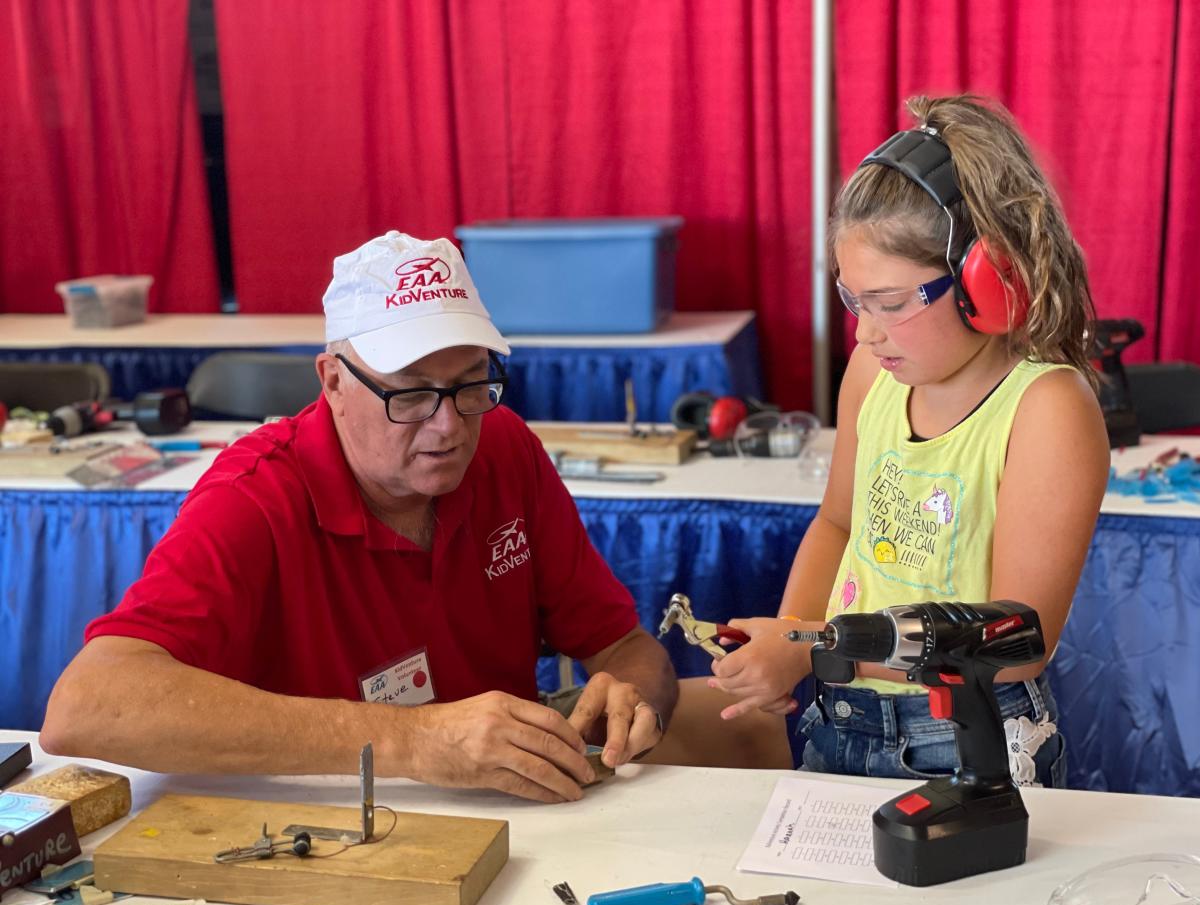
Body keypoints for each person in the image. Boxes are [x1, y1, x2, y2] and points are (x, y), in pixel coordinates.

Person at [41, 231, 677, 804]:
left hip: (505, 806)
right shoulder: (254, 496)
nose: (449, 425)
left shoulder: (505, 446)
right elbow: (88, 708)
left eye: (471, 383)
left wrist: (629, 699)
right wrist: (414, 740)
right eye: (412, 392)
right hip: (327, 823)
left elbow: (623, 646)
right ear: (333, 382)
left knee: (737, 725)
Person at [669, 94, 1110, 785]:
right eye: (854, 300)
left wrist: (814, 647)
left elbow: (1016, 639)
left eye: (893, 303)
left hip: (970, 737)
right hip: (841, 713)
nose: (863, 333)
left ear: (984, 280)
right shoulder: (873, 374)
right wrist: (789, 641)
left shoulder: (1047, 408)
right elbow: (838, 522)